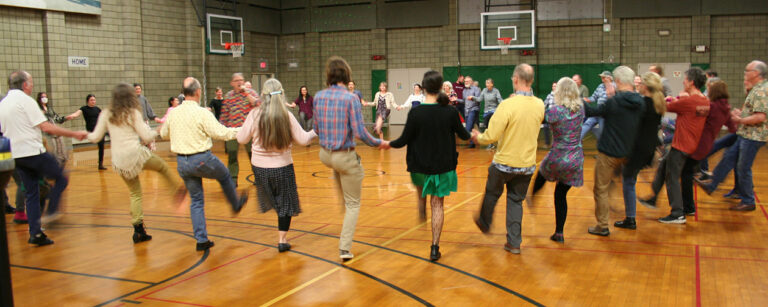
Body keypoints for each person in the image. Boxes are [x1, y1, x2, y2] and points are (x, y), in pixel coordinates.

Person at [87, 83, 186, 243]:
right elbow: (146, 137)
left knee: (135, 193)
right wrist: (159, 131)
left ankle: (138, 230)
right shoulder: (132, 112)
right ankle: (177, 190)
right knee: (162, 167)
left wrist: (81, 134)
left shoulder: (106, 113)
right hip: (135, 154)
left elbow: (95, 137)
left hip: (119, 160)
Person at [390, 70, 471, 261]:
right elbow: (465, 135)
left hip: (419, 166)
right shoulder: (450, 111)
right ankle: (435, 247)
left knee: (422, 190)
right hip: (442, 166)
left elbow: (403, 140)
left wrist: (386, 144)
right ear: (441, 87)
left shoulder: (416, 113)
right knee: (438, 205)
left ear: (424, 88)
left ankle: (420, 202)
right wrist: (475, 134)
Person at [160, 77, 248, 251]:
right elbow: (221, 133)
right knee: (224, 175)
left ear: (184, 93)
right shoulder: (202, 113)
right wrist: (244, 130)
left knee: (196, 200)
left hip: (182, 163)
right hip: (201, 159)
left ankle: (201, 240)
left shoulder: (174, 112)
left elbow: (163, 134)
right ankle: (235, 204)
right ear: (198, 92)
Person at [0, 70, 88, 246]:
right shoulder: (26, 101)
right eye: (31, 82)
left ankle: (36, 233)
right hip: (32, 152)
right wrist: (74, 133)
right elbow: (47, 127)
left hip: (15, 156)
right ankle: (52, 212)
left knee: (31, 194)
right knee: (61, 179)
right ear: (25, 84)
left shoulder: (3, 103)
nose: (32, 86)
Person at [314, 56, 387, 260]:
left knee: (340, 170)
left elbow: (316, 128)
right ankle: (344, 248)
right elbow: (360, 132)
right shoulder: (350, 98)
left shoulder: (319, 96)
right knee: (353, 204)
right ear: (347, 76)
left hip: (324, 155)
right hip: (343, 157)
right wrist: (379, 143)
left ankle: (342, 200)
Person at [472, 64, 545, 254]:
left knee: (492, 193)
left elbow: (491, 136)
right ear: (532, 80)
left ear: (515, 79)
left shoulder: (507, 105)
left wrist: (477, 137)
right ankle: (514, 243)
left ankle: (484, 221)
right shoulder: (540, 104)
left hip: (504, 164)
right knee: (515, 202)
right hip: (526, 166)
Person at [237, 79, 316, 253]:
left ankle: (275, 207)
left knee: (273, 199)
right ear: (282, 94)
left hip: (259, 168)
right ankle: (282, 240)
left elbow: (241, 139)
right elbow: (303, 140)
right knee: (286, 203)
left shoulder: (254, 115)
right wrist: (316, 130)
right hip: (283, 167)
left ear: (263, 95)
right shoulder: (286, 115)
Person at [637, 67, 709, 224]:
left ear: (691, 82)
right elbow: (683, 106)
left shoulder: (689, 102)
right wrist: (678, 98)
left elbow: (663, 106)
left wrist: (654, 92)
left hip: (682, 145)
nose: (683, 81)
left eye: (685, 79)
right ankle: (661, 199)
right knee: (664, 165)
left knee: (672, 178)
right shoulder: (704, 101)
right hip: (692, 144)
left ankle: (677, 213)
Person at [697, 60, 768, 211]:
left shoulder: (762, 90)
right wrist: (741, 114)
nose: (744, 74)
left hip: (753, 136)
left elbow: (760, 117)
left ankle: (748, 200)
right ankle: (712, 184)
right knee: (729, 157)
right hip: (745, 133)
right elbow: (753, 112)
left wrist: (740, 119)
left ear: (755, 73)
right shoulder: (756, 89)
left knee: (743, 167)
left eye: (746, 71)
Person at [583, 66, 645, 236]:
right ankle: (630, 218)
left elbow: (591, 111)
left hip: (609, 153)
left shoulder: (613, 102)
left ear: (617, 82)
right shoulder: (641, 102)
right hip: (631, 153)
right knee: (629, 185)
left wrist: (578, 99)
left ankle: (602, 225)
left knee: (601, 188)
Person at [530, 77, 584, 243]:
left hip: (558, 156)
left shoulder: (555, 111)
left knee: (541, 172)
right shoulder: (581, 110)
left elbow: (539, 119)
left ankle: (532, 196)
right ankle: (559, 233)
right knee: (560, 194)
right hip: (575, 159)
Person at [614, 72, 665, 230]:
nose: (639, 85)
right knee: (628, 179)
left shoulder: (643, 104)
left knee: (628, 182)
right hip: (647, 149)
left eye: (641, 83)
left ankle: (630, 219)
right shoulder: (657, 104)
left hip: (638, 149)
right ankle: (629, 213)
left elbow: (634, 127)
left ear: (646, 86)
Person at [220, 72, 260, 185]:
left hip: (249, 131)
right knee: (232, 154)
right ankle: (233, 179)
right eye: (237, 80)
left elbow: (258, 104)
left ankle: (258, 177)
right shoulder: (228, 96)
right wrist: (222, 131)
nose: (240, 82)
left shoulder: (251, 93)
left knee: (253, 154)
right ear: (232, 83)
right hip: (232, 131)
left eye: (241, 80)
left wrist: (247, 94)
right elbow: (224, 115)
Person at [66, 94, 107, 170]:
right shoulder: (84, 108)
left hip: (99, 129)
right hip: (91, 129)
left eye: (94, 100)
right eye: (91, 100)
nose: (93, 101)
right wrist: (71, 116)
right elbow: (76, 114)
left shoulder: (97, 109)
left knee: (101, 146)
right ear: (87, 101)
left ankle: (100, 164)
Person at [36, 92, 70, 165]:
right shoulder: (37, 109)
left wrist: (66, 118)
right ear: (39, 99)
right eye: (42, 97)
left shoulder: (49, 108)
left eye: (45, 97)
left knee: (60, 147)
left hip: (53, 130)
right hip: (45, 133)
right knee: (52, 149)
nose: (44, 98)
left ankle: (60, 162)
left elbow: (57, 118)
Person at [580, 71, 616, 141]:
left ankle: (605, 145)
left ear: (609, 78)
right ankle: (576, 142)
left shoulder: (614, 86)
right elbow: (594, 97)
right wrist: (585, 99)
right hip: (597, 110)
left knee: (602, 130)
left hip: (606, 112)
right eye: (601, 77)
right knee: (587, 124)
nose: (602, 79)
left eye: (603, 77)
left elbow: (614, 99)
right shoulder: (600, 86)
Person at [462, 76, 481, 148]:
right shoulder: (464, 91)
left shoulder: (476, 89)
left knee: (468, 128)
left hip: (474, 109)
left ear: (471, 82)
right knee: (471, 127)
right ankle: (472, 142)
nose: (465, 82)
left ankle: (473, 141)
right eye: (465, 81)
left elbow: (479, 99)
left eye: (467, 81)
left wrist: (472, 98)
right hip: (466, 110)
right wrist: (456, 99)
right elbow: (464, 101)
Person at [541, 82, 557, 146]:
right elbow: (545, 104)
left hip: (557, 115)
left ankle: (555, 144)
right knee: (545, 126)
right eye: (553, 86)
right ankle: (547, 143)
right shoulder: (549, 96)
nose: (554, 87)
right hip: (549, 114)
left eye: (555, 86)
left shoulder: (560, 96)